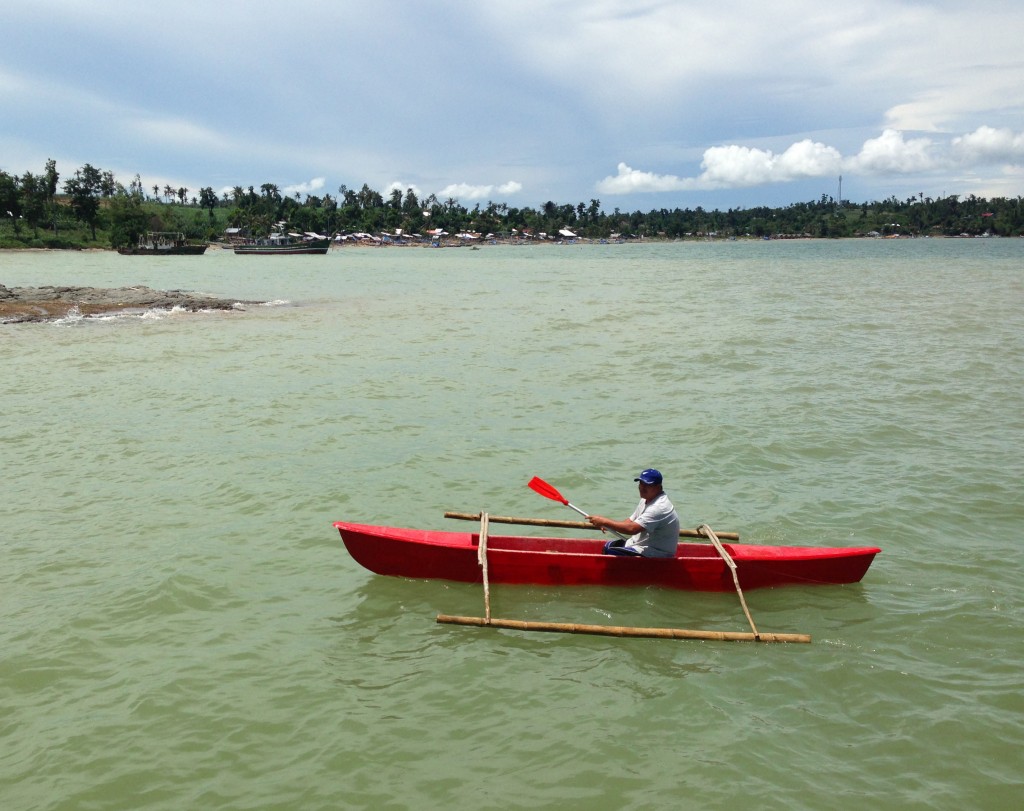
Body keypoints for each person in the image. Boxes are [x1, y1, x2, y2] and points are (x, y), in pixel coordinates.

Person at [587, 469, 681, 557]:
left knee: (610, 551)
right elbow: (630, 521)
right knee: (607, 546)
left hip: (657, 553)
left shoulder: (659, 507)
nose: (642, 487)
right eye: (641, 483)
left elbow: (632, 529)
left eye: (647, 485)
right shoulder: (646, 498)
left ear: (658, 487)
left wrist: (605, 522)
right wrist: (608, 525)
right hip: (641, 544)